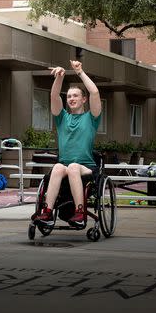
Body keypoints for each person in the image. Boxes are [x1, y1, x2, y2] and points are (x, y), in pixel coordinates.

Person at [32, 60, 102, 228]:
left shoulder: (91, 118)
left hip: (86, 167)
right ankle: (47, 212)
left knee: (73, 167)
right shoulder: (62, 118)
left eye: (75, 95)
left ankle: (80, 212)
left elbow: (95, 92)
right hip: (65, 166)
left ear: (83, 99)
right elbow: (54, 96)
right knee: (57, 167)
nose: (71, 99)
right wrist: (59, 77)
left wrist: (79, 72)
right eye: (69, 96)